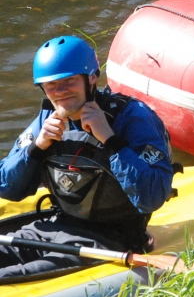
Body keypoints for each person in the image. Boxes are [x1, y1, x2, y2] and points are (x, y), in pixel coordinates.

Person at [0, 36, 174, 279]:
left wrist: (111, 141)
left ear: (92, 78)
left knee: (11, 276)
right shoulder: (45, 120)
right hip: (55, 225)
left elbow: (153, 195)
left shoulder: (133, 117)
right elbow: (7, 187)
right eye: (51, 85)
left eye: (69, 81)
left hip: (109, 238)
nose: (59, 92)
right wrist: (36, 149)